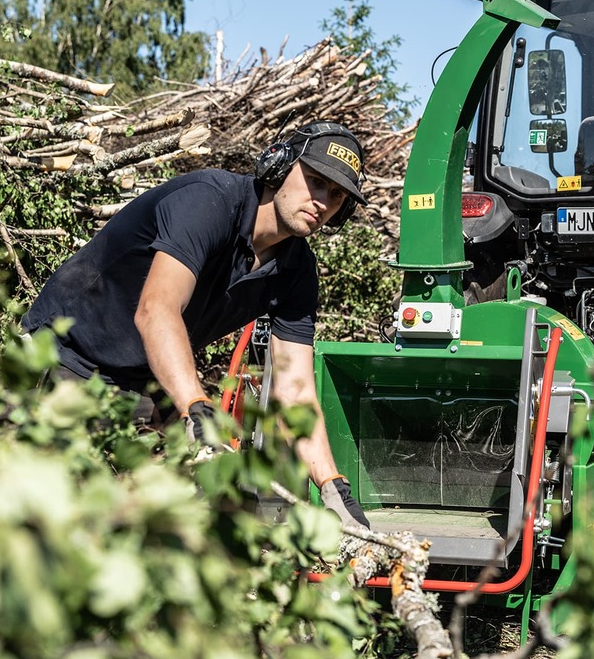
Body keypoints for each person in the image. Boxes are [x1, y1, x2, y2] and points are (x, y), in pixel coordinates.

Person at [22, 120, 370, 529]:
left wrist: (331, 485)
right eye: (314, 181)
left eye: (336, 195)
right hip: (63, 357)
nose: (322, 201)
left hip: (143, 379)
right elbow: (156, 309)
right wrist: (197, 410)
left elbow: (295, 387)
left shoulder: (296, 271)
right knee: (44, 524)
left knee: (191, 523)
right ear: (280, 167)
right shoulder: (209, 202)